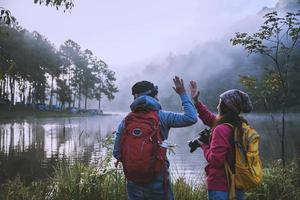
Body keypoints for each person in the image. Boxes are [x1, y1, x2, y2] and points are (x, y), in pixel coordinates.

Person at [113, 76, 198, 200]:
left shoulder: (126, 121)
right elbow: (191, 117)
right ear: (154, 96)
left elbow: (116, 153)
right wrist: (182, 93)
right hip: (157, 176)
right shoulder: (162, 116)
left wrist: (136, 162)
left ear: (135, 97)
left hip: (133, 179)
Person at [189, 80, 253, 200]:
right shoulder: (240, 125)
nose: (218, 106)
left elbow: (216, 160)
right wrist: (196, 101)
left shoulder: (221, 129)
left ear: (225, 107)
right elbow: (210, 118)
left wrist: (204, 146)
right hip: (238, 181)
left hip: (220, 186)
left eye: (220, 103)